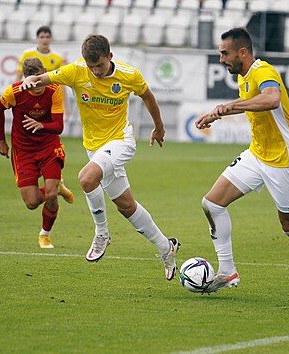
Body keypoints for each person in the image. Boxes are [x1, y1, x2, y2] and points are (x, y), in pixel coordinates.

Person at [20, 34, 180, 280]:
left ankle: (102, 233)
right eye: (91, 66)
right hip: (95, 147)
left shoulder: (128, 75)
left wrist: (158, 126)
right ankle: (166, 248)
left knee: (86, 178)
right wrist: (32, 80)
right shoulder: (76, 71)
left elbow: (147, 96)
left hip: (120, 141)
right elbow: (46, 77)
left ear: (110, 57)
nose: (95, 71)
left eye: (100, 65)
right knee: (126, 206)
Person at [194, 27, 289, 299]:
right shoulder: (244, 76)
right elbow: (248, 102)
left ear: (243, 52)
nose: (221, 59)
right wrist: (218, 112)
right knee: (212, 203)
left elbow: (272, 99)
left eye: (225, 53)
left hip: (285, 159)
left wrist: (232, 107)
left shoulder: (263, 71)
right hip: (257, 154)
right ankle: (227, 271)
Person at [0, 58, 75, 249]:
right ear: (25, 78)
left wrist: (42, 125)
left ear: (45, 72)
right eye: (33, 80)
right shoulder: (14, 92)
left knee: (50, 193)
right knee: (31, 203)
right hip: (23, 150)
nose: (38, 84)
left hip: (49, 147)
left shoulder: (54, 89)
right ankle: (58, 187)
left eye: (40, 78)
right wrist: (1, 141)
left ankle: (45, 235)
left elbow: (58, 127)